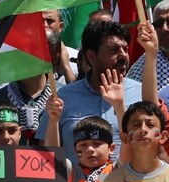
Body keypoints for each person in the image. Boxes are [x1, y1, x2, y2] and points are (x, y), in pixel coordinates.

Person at [46, 20, 142, 169]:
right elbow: (48, 156)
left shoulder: (141, 93)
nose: (123, 56)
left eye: (125, 49)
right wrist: (53, 120)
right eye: (113, 50)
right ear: (91, 56)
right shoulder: (63, 97)